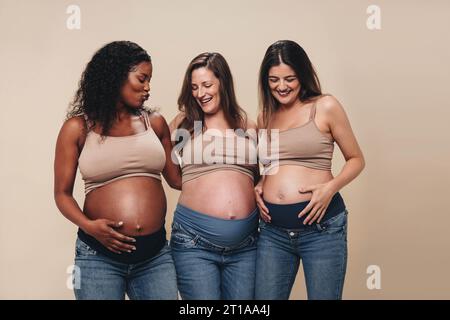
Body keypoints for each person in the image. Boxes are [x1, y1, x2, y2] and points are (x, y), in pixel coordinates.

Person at [54, 41, 181, 300]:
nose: (148, 88)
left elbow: (177, 179)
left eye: (150, 80)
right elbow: (62, 194)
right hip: (98, 257)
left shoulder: (154, 123)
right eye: (142, 79)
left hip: (155, 257)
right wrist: (90, 227)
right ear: (116, 76)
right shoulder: (78, 128)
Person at [254, 40, 365, 300]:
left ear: (302, 75)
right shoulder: (265, 117)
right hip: (272, 232)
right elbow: (271, 165)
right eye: (273, 80)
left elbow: (356, 159)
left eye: (290, 79)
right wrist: (260, 182)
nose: (281, 86)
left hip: (321, 230)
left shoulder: (325, 106)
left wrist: (330, 187)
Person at [168, 52, 259, 300]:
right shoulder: (183, 125)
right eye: (195, 87)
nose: (200, 93)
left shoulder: (248, 125)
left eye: (207, 85)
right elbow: (173, 175)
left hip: (246, 245)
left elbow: (261, 179)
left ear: (223, 83)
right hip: (193, 243)